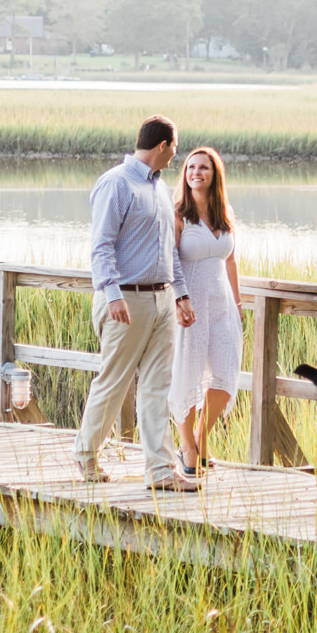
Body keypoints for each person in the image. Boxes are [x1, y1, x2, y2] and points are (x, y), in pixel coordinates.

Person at [74, 116, 199, 491]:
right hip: (126, 298)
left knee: (159, 386)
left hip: (162, 300)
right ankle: (85, 454)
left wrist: (180, 293)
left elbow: (169, 250)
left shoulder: (160, 190)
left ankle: (161, 472)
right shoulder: (116, 183)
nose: (176, 155)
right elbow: (101, 245)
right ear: (162, 146)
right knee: (114, 382)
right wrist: (111, 293)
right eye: (175, 147)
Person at [169, 146, 243, 475]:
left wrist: (238, 305)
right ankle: (187, 447)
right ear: (185, 175)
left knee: (225, 376)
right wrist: (178, 298)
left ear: (215, 175)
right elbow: (169, 260)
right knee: (187, 373)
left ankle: (201, 436)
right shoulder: (178, 215)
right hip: (190, 303)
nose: (196, 173)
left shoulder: (224, 212)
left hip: (223, 305)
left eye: (204, 168)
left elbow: (229, 259)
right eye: (191, 167)